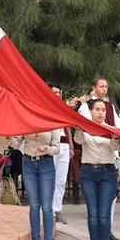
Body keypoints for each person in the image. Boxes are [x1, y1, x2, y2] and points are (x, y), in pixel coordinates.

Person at [77, 77, 120, 240]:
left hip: (107, 172)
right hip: (88, 171)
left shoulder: (111, 128)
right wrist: (79, 128)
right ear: (91, 111)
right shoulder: (86, 127)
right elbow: (79, 141)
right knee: (93, 213)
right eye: (97, 109)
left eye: (103, 110)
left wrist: (116, 137)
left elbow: (113, 147)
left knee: (104, 214)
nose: (100, 112)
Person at [8, 129, 60, 240]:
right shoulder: (27, 120)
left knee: (46, 206)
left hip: (46, 163)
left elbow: (56, 148)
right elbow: (18, 145)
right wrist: (10, 138)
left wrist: (47, 149)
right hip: (28, 163)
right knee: (34, 205)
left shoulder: (52, 122)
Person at [50, 85, 73, 225]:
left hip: (63, 145)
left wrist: (71, 146)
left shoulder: (63, 107)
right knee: (50, 178)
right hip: (51, 145)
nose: (57, 94)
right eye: (55, 92)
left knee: (61, 180)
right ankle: (48, 209)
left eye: (59, 92)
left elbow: (68, 127)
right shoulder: (45, 106)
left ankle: (57, 209)